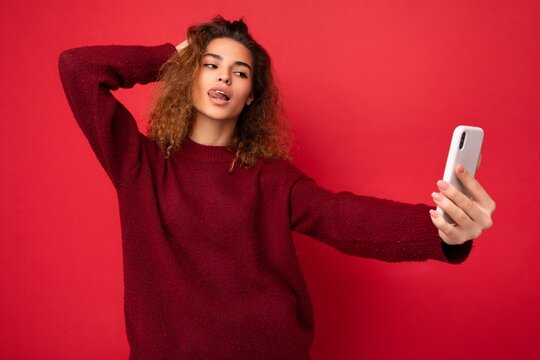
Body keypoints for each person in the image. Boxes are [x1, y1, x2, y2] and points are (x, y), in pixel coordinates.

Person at [58, 15, 495, 360]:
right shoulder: (141, 165)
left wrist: (440, 228)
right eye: (209, 66)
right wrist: (173, 56)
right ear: (188, 77)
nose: (223, 78)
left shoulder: (271, 179)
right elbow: (78, 68)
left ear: (251, 96)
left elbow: (345, 217)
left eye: (240, 72)